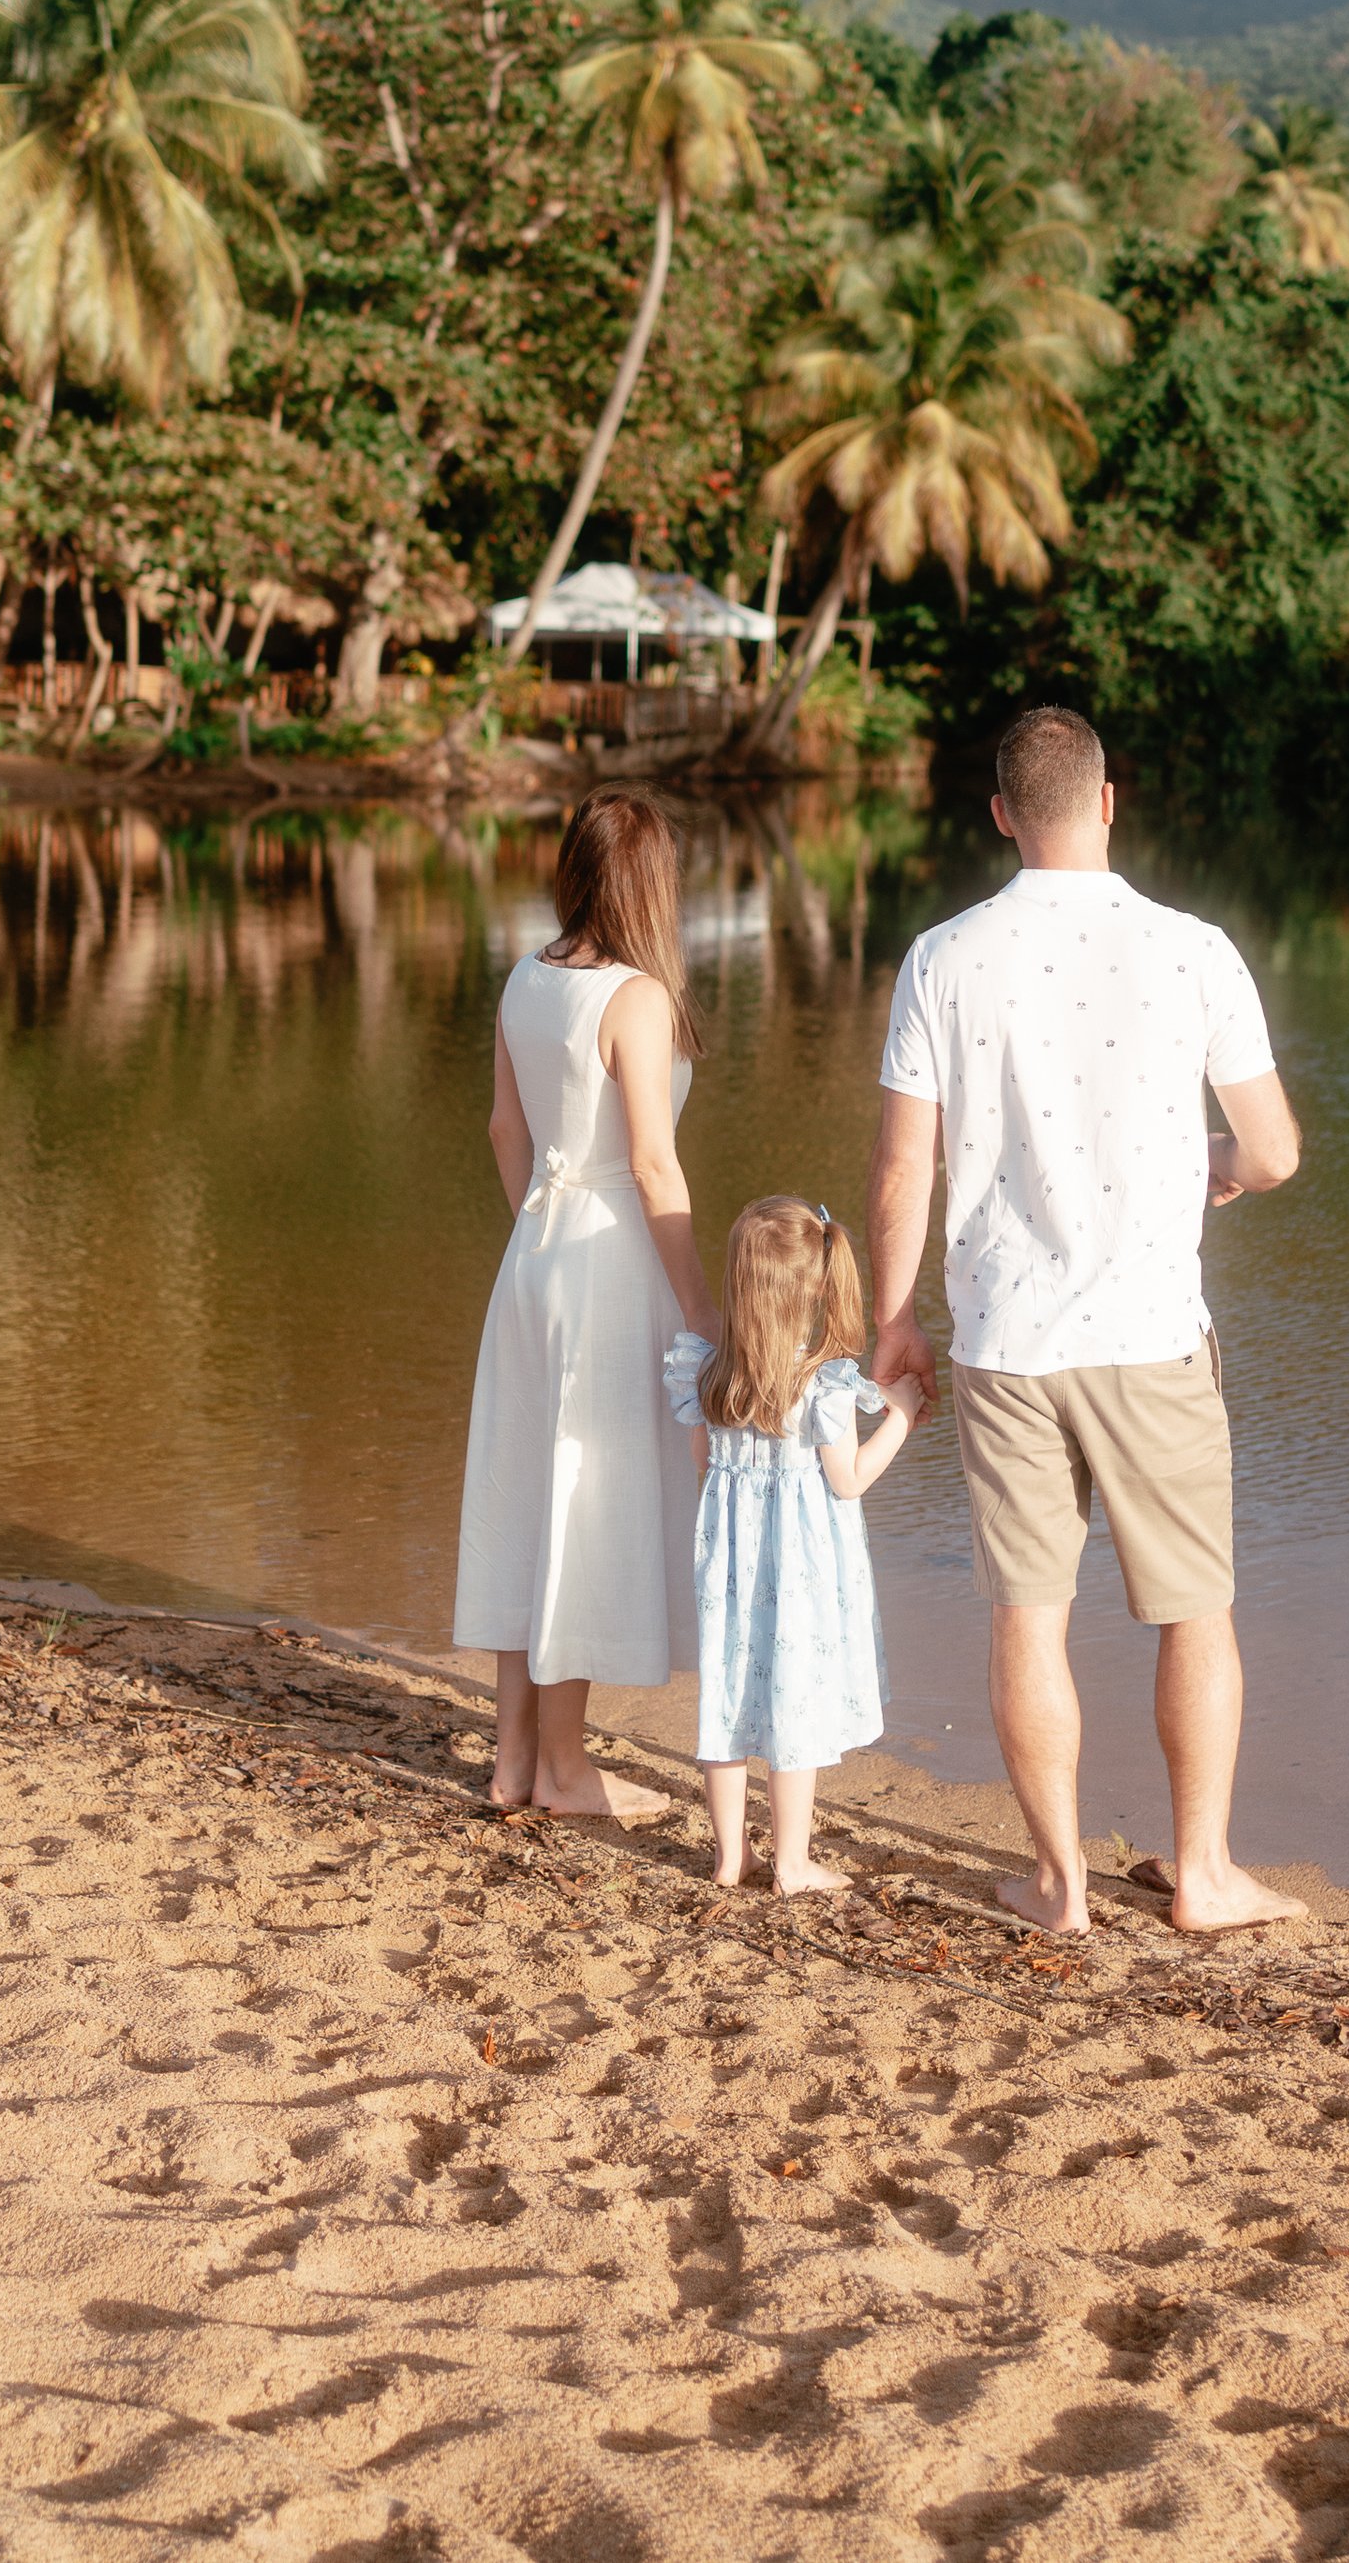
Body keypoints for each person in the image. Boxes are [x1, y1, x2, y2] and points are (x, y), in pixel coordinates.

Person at [866, 704, 1306, 1938]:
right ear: (1109, 802)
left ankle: (1059, 1884)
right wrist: (1210, 1161)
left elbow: (906, 1171)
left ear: (1001, 813)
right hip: (1152, 1332)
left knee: (1027, 1612)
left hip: (1006, 1338)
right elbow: (1272, 1152)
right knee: (1193, 1607)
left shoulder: (942, 957)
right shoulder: (1193, 949)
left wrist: (891, 1322)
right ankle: (1203, 1873)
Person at [454, 788, 714, 1818]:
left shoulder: (525, 976)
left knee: (530, 1494)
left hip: (535, 1256)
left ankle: (514, 1759)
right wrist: (701, 1313)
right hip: (610, 1262)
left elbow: (502, 1131)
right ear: (653, 884)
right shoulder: (636, 996)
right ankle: (564, 1768)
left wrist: (539, 1226)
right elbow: (653, 1164)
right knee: (582, 1504)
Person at [662, 1198, 924, 1895]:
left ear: (739, 1285)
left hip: (728, 1562)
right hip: (801, 1573)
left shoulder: (713, 1375)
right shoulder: (823, 1386)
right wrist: (899, 1417)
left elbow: (700, 1464)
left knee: (725, 1695)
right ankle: (791, 1862)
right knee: (792, 1700)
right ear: (815, 1288)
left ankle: (727, 1858)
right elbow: (848, 1480)